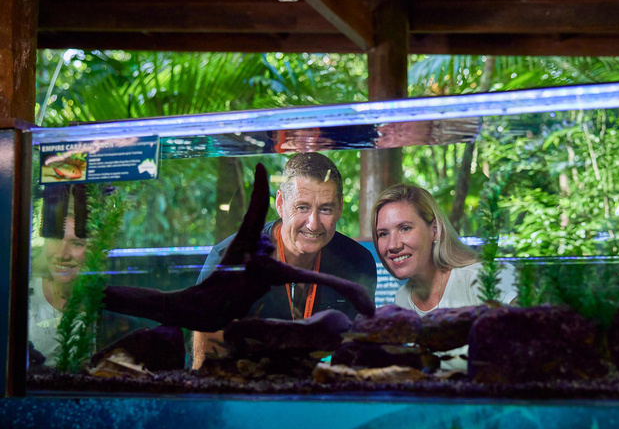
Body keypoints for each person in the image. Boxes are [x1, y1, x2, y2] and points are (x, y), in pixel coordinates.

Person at [192, 152, 377, 368]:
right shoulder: (230, 259)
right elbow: (206, 362)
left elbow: (358, 352)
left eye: (325, 209)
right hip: (245, 390)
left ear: (339, 209)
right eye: (302, 207)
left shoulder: (357, 262)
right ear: (280, 203)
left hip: (324, 390)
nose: (313, 224)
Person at [372, 184, 516, 370]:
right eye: (383, 234)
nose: (393, 245)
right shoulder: (402, 299)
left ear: (435, 230)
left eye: (405, 228)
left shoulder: (486, 276)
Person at [28, 213, 87, 366]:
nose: (62, 254)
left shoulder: (102, 303)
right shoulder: (23, 292)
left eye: (76, 243)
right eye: (55, 239)